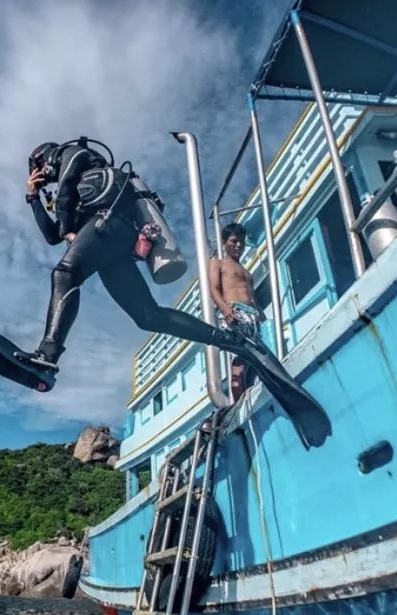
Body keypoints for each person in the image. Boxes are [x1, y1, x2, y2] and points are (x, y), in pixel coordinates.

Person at [22, 140, 331, 449]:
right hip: (109, 243)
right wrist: (33, 197)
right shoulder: (65, 184)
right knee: (147, 316)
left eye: (40, 171)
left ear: (43, 158)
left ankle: (47, 354)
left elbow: (63, 201)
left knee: (65, 273)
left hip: (110, 223)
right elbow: (52, 236)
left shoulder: (72, 153)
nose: (43, 176)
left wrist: (67, 229)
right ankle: (234, 341)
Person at [209, 223, 261, 401]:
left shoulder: (247, 272)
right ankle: (239, 403)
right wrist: (225, 309)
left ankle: (251, 395)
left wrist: (262, 317)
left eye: (242, 242)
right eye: (234, 241)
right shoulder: (218, 264)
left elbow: (253, 298)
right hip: (234, 311)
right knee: (241, 355)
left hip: (252, 316)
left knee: (255, 358)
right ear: (224, 242)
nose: (239, 245)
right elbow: (214, 290)